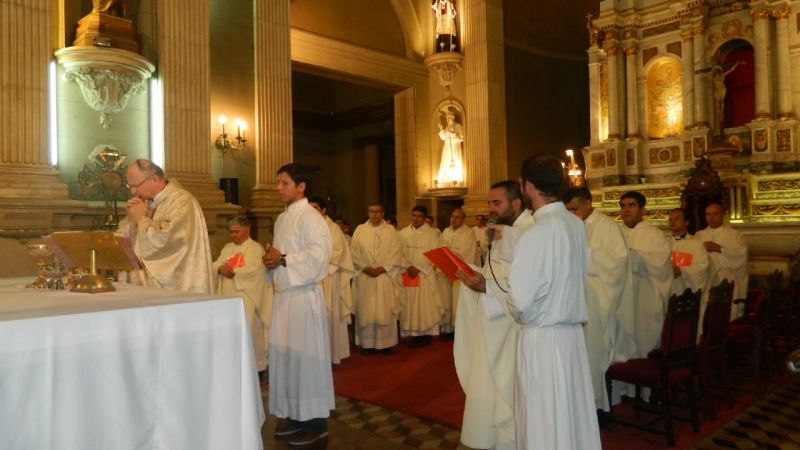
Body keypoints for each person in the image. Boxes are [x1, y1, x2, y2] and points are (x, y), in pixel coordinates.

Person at [508, 156, 601, 449]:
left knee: (543, 417)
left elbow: (520, 300)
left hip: (542, 339)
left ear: (527, 186)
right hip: (571, 337)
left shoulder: (536, 233)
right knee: (570, 414)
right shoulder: (576, 225)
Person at [454, 180, 532, 450]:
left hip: (513, 328)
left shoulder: (529, 233)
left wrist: (485, 286)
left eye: (496, 203)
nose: (490, 208)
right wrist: (474, 279)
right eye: (489, 203)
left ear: (516, 203)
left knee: (508, 389)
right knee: (489, 383)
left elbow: (527, 286)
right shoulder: (502, 231)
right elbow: (496, 275)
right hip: (492, 320)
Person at [263, 163, 333, 447]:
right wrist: (271, 260)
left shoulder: (311, 217)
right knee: (287, 359)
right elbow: (282, 256)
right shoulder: (282, 219)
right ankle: (293, 415)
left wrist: (282, 259)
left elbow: (319, 258)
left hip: (303, 298)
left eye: (284, 183)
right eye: (278, 183)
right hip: (285, 298)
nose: (279, 188)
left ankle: (315, 423)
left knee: (305, 361)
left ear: (301, 186)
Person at [563, 187, 637, 413]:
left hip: (599, 303)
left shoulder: (606, 226)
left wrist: (585, 256)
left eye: (575, 209)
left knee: (593, 353)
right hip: (575, 300)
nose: (572, 214)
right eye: (568, 210)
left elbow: (618, 263)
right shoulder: (571, 225)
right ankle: (577, 403)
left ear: (588, 203)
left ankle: (597, 406)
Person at [117, 159, 214, 294]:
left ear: (155, 179)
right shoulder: (143, 202)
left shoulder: (182, 201)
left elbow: (165, 241)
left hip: (175, 287)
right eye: (129, 186)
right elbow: (123, 237)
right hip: (142, 284)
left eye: (136, 185)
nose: (133, 191)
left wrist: (141, 218)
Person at [213, 216, 273, 371]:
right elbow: (216, 263)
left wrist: (233, 271)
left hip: (247, 298)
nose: (232, 235)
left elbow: (256, 270)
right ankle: (233, 366)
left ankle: (255, 367)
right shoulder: (227, 248)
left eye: (236, 232)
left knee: (249, 331)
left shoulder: (255, 248)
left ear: (247, 230)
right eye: (231, 232)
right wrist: (219, 269)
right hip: (227, 298)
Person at [619, 191, 672, 356]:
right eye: (623, 206)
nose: (626, 210)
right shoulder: (615, 233)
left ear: (642, 210)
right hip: (620, 299)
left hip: (645, 300)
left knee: (643, 342)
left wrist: (634, 256)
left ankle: (645, 376)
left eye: (632, 205)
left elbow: (662, 265)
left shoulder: (654, 234)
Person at [350, 203, 404, 355]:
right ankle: (367, 345)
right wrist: (366, 268)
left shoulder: (391, 231)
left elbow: (395, 252)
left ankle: (386, 344)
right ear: (368, 213)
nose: (374, 214)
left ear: (383, 213)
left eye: (377, 212)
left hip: (384, 276)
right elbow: (354, 252)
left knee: (384, 308)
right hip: (365, 275)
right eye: (371, 212)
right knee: (365, 309)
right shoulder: (360, 230)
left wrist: (381, 269)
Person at [309, 197, 355, 364]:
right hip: (310, 278)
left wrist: (322, 270)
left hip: (328, 277)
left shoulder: (333, 228)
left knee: (329, 315)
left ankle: (331, 354)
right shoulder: (306, 227)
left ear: (323, 210)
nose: (311, 211)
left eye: (315, 207)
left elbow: (338, 252)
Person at [399, 205, 444, 347]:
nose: (416, 218)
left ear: (424, 218)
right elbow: (397, 252)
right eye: (414, 215)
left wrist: (418, 267)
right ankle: (411, 332)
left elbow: (435, 253)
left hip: (424, 275)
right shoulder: (402, 233)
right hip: (407, 273)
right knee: (409, 303)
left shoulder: (433, 234)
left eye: (419, 216)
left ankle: (425, 333)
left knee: (424, 304)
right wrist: (407, 266)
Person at [695, 203, 748, 318]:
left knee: (726, 315)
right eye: (708, 214)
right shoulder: (698, 236)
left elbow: (742, 255)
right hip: (706, 279)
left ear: (722, 215)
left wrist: (720, 249)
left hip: (727, 280)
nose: (711, 218)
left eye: (715, 214)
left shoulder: (735, 235)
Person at [667, 208, 710, 336]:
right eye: (670, 219)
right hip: (668, 289)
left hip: (686, 288)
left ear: (686, 222)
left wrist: (681, 270)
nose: (672, 222)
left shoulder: (696, 244)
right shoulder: (664, 243)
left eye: (677, 218)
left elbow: (703, 266)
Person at [439, 208, 478, 336]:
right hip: (445, 271)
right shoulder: (445, 231)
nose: (453, 219)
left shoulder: (469, 232)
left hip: (460, 272)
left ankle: (458, 329)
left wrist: (455, 265)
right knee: (446, 300)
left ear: (463, 219)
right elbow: (441, 249)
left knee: (458, 301)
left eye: (457, 217)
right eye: (452, 216)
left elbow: (468, 253)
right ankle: (447, 328)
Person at [436, 108, 464, 185]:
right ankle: (445, 180)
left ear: (453, 118)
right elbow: (443, 137)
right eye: (447, 118)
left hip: (454, 147)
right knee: (446, 161)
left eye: (449, 117)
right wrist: (441, 129)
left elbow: (462, 138)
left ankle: (456, 180)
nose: (448, 119)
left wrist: (453, 134)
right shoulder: (447, 127)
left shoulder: (458, 126)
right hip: (447, 147)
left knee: (455, 162)